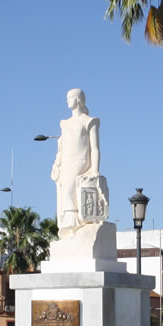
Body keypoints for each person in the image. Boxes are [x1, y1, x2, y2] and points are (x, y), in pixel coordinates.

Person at [51, 89, 104, 238]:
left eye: (70, 97)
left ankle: (74, 223)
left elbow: (95, 148)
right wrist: (57, 164)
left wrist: (95, 169)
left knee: (68, 189)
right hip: (66, 162)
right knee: (63, 190)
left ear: (79, 100)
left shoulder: (89, 121)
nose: (67, 100)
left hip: (81, 161)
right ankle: (68, 225)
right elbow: (61, 148)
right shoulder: (64, 123)